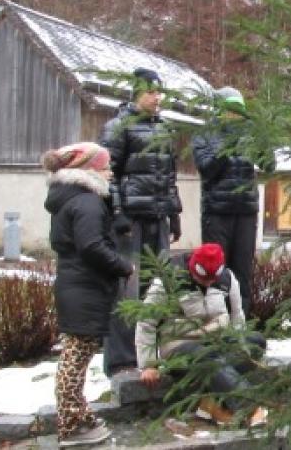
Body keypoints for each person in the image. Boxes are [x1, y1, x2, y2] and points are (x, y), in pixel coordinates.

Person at [42, 142, 133, 446]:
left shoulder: (70, 200)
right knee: (74, 360)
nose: (110, 173)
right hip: (84, 288)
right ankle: (71, 426)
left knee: (75, 358)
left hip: (77, 286)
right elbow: (92, 246)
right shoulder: (87, 202)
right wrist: (122, 265)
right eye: (106, 167)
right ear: (90, 170)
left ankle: (80, 417)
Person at [100, 67, 184, 374]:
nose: (157, 97)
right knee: (127, 288)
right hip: (130, 221)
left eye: (159, 91)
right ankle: (121, 361)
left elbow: (169, 176)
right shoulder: (117, 127)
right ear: (136, 94)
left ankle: (149, 355)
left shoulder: (164, 128)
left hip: (157, 217)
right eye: (151, 91)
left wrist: (174, 214)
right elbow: (108, 175)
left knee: (156, 288)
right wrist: (118, 214)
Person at [136, 244, 265, 426]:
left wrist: (239, 344)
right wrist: (148, 365)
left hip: (215, 341)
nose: (208, 284)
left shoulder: (227, 279)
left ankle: (211, 404)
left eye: (212, 280)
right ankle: (250, 406)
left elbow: (237, 317)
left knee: (255, 342)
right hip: (179, 345)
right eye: (203, 279)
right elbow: (146, 322)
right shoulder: (168, 279)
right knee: (207, 357)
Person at [194, 87, 267, 319]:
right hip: (217, 212)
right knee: (216, 270)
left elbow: (269, 164)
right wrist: (227, 145)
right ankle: (217, 322)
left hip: (245, 211)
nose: (236, 116)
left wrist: (262, 139)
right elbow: (207, 170)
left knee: (242, 272)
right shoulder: (205, 135)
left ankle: (240, 323)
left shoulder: (250, 135)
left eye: (239, 111)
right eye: (231, 110)